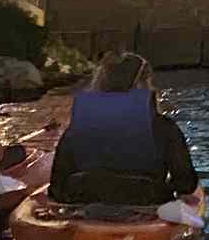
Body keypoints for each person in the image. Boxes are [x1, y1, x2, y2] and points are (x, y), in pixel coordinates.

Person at [49, 51, 199, 205]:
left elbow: (57, 187)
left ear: (100, 81)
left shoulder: (79, 125)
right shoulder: (163, 127)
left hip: (82, 198)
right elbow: (185, 184)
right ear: (145, 84)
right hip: (145, 200)